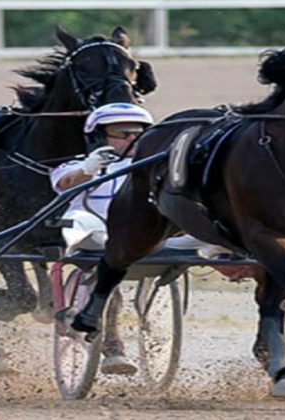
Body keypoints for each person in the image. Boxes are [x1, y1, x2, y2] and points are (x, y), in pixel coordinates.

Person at [51, 103, 231, 375]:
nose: (130, 139)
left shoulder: (158, 168)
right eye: (121, 133)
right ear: (98, 136)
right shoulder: (77, 165)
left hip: (151, 241)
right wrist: (88, 169)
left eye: (137, 133)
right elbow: (64, 183)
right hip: (95, 235)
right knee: (91, 230)